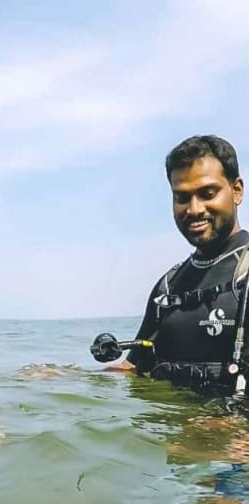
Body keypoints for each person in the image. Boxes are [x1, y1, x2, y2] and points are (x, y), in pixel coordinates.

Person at [95, 135, 249, 394]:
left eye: (207, 193)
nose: (194, 209)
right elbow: (133, 367)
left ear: (236, 191)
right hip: (168, 430)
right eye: (182, 197)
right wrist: (65, 376)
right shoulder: (169, 286)